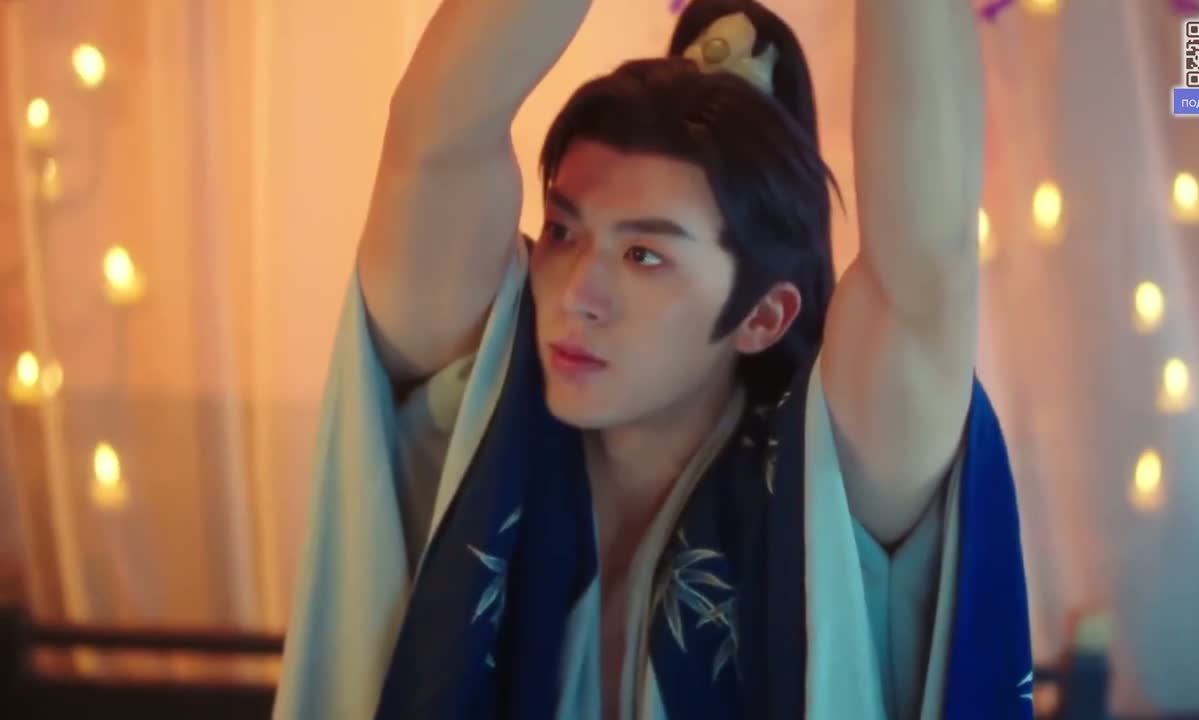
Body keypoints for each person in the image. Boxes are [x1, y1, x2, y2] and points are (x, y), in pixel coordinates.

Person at [274, 1, 1033, 719]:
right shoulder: (488, 417)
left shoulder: (827, 482)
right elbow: (437, 135)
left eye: (644, 254)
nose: (577, 294)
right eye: (564, 232)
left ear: (763, 316)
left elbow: (926, 262)